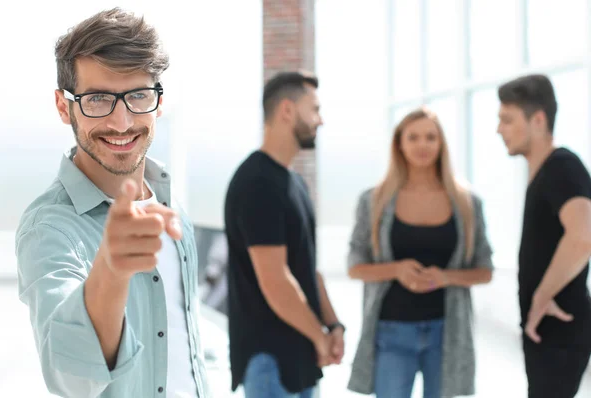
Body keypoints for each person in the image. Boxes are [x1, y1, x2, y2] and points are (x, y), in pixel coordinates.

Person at [15, 8, 208, 397]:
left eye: (137, 95)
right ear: (62, 105)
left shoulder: (171, 210)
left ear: (158, 101)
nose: (121, 123)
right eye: (99, 99)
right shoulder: (50, 229)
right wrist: (111, 272)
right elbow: (69, 378)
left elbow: (185, 348)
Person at [346, 108, 494, 398]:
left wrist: (446, 277)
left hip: (447, 333)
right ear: (399, 144)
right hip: (391, 331)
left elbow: (485, 270)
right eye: (413, 137)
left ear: (441, 144)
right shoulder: (374, 201)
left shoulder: (467, 203)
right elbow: (355, 265)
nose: (422, 145)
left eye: (430, 137)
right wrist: (396, 270)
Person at [224, 71, 344, 398]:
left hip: (301, 358)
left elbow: (308, 267)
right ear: (287, 111)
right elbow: (276, 281)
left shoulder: (294, 183)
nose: (320, 120)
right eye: (314, 109)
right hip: (270, 363)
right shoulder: (257, 182)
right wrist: (320, 336)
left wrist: (333, 326)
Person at [497, 74, 591, 398]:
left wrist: (540, 298)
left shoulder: (561, 166)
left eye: (507, 120)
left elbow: (584, 235)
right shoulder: (545, 172)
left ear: (538, 120)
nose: (499, 130)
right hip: (549, 332)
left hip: (560, 329)